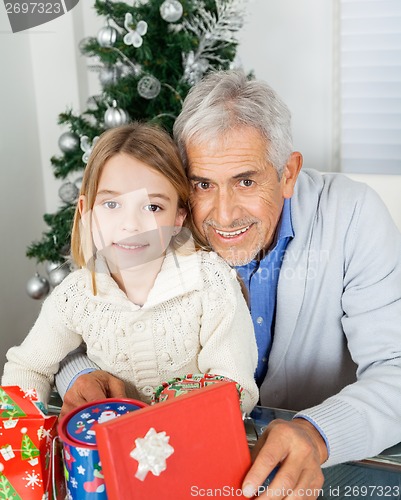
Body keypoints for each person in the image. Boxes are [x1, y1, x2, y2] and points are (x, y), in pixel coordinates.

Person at [54, 71, 401, 499]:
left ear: (288, 172)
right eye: (203, 184)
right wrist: (81, 374)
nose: (224, 214)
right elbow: (73, 325)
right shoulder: (158, 222)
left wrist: (316, 434)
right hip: (179, 467)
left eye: (246, 181)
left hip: (322, 472)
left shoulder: (352, 215)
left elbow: (396, 369)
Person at [1, 122, 259, 414]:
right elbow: (27, 367)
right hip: (109, 454)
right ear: (86, 212)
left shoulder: (210, 283)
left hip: (195, 448)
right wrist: (21, 443)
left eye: (152, 208)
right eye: (111, 204)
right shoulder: (76, 296)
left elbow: (236, 387)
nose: (130, 225)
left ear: (178, 218)